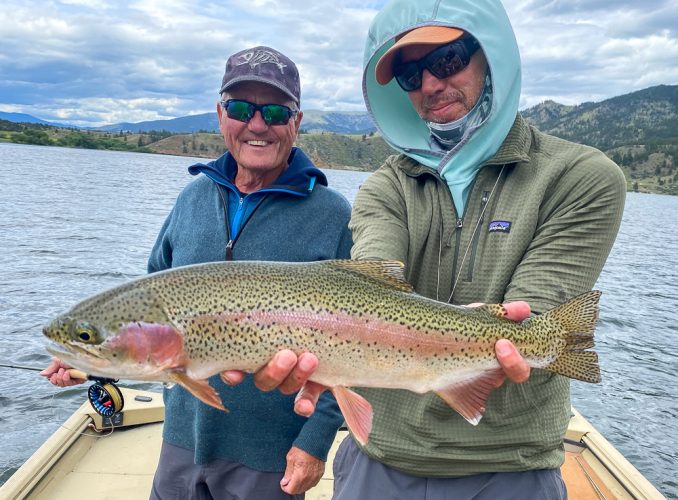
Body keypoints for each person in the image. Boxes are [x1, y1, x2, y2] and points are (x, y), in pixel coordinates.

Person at [252, 0, 627, 498]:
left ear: (491, 57)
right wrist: (323, 339)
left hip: (511, 469)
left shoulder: (581, 176)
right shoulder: (386, 185)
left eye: (448, 59)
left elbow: (535, 311)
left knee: (531, 339)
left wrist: (515, 334)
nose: (430, 84)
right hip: (380, 460)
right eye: (410, 74)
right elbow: (371, 280)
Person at [41, 45, 352, 500]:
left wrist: (313, 443)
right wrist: (87, 359)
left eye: (275, 111)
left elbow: (360, 341)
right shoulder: (191, 199)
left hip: (270, 451)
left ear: (296, 122)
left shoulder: (332, 214)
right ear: (221, 115)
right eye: (242, 108)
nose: (258, 124)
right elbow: (148, 317)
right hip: (181, 437)